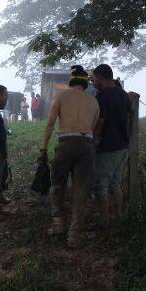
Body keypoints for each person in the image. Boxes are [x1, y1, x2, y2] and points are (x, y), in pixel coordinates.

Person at [38, 65, 99, 248]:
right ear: (85, 83)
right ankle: (74, 235)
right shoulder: (94, 102)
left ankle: (58, 223)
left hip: (65, 143)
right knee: (81, 191)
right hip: (86, 146)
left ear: (71, 81)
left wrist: (44, 148)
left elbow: (49, 124)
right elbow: (94, 128)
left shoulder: (61, 97)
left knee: (57, 184)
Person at [92, 64, 132, 227]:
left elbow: (100, 121)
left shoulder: (102, 96)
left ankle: (104, 221)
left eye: (94, 78)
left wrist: (94, 139)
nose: (93, 81)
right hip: (122, 144)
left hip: (108, 145)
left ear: (100, 77)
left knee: (101, 185)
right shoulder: (123, 94)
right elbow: (130, 116)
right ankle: (119, 216)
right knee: (115, 183)